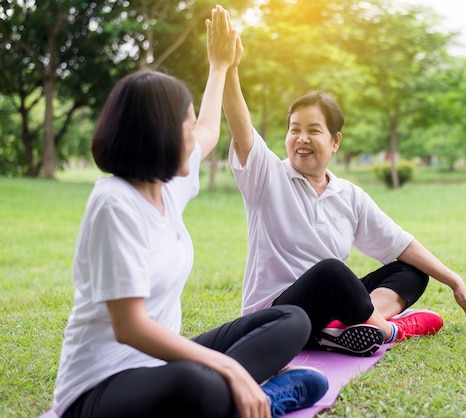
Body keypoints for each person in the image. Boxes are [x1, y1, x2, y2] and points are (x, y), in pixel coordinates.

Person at [52, 7, 327, 418]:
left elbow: (209, 131)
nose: (193, 137)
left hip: (160, 367)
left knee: (292, 319)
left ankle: (237, 396)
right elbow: (128, 327)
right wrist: (227, 365)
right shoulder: (115, 203)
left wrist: (219, 66)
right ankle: (256, 399)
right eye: (185, 127)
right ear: (158, 135)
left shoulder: (165, 184)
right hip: (99, 387)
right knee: (197, 383)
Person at [221, 30, 466, 357]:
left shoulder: (349, 195)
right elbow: (242, 129)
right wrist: (229, 69)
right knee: (332, 272)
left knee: (413, 270)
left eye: (313, 130)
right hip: (278, 315)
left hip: (327, 310)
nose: (301, 138)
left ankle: (349, 327)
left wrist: (454, 279)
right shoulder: (267, 176)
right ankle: (389, 329)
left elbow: (400, 243)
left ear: (335, 142)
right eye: (295, 129)